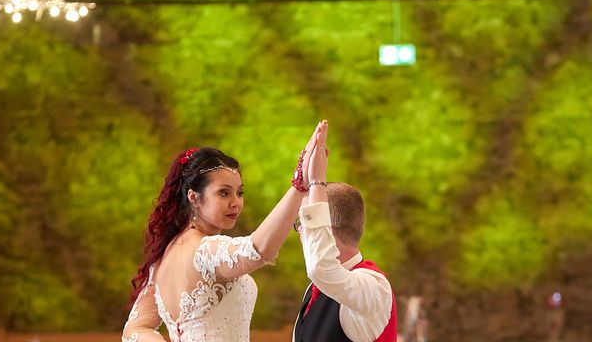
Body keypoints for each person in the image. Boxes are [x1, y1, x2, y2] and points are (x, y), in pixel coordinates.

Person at [122, 123, 323, 342]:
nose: (235, 203)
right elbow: (259, 249)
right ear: (194, 197)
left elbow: (135, 329)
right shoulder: (205, 251)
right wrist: (299, 185)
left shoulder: (164, 258)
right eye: (224, 193)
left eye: (239, 192)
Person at [292, 120, 397, 342]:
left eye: (304, 222)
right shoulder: (314, 289)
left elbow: (320, 267)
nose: (301, 232)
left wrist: (316, 183)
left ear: (325, 226)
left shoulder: (373, 286)